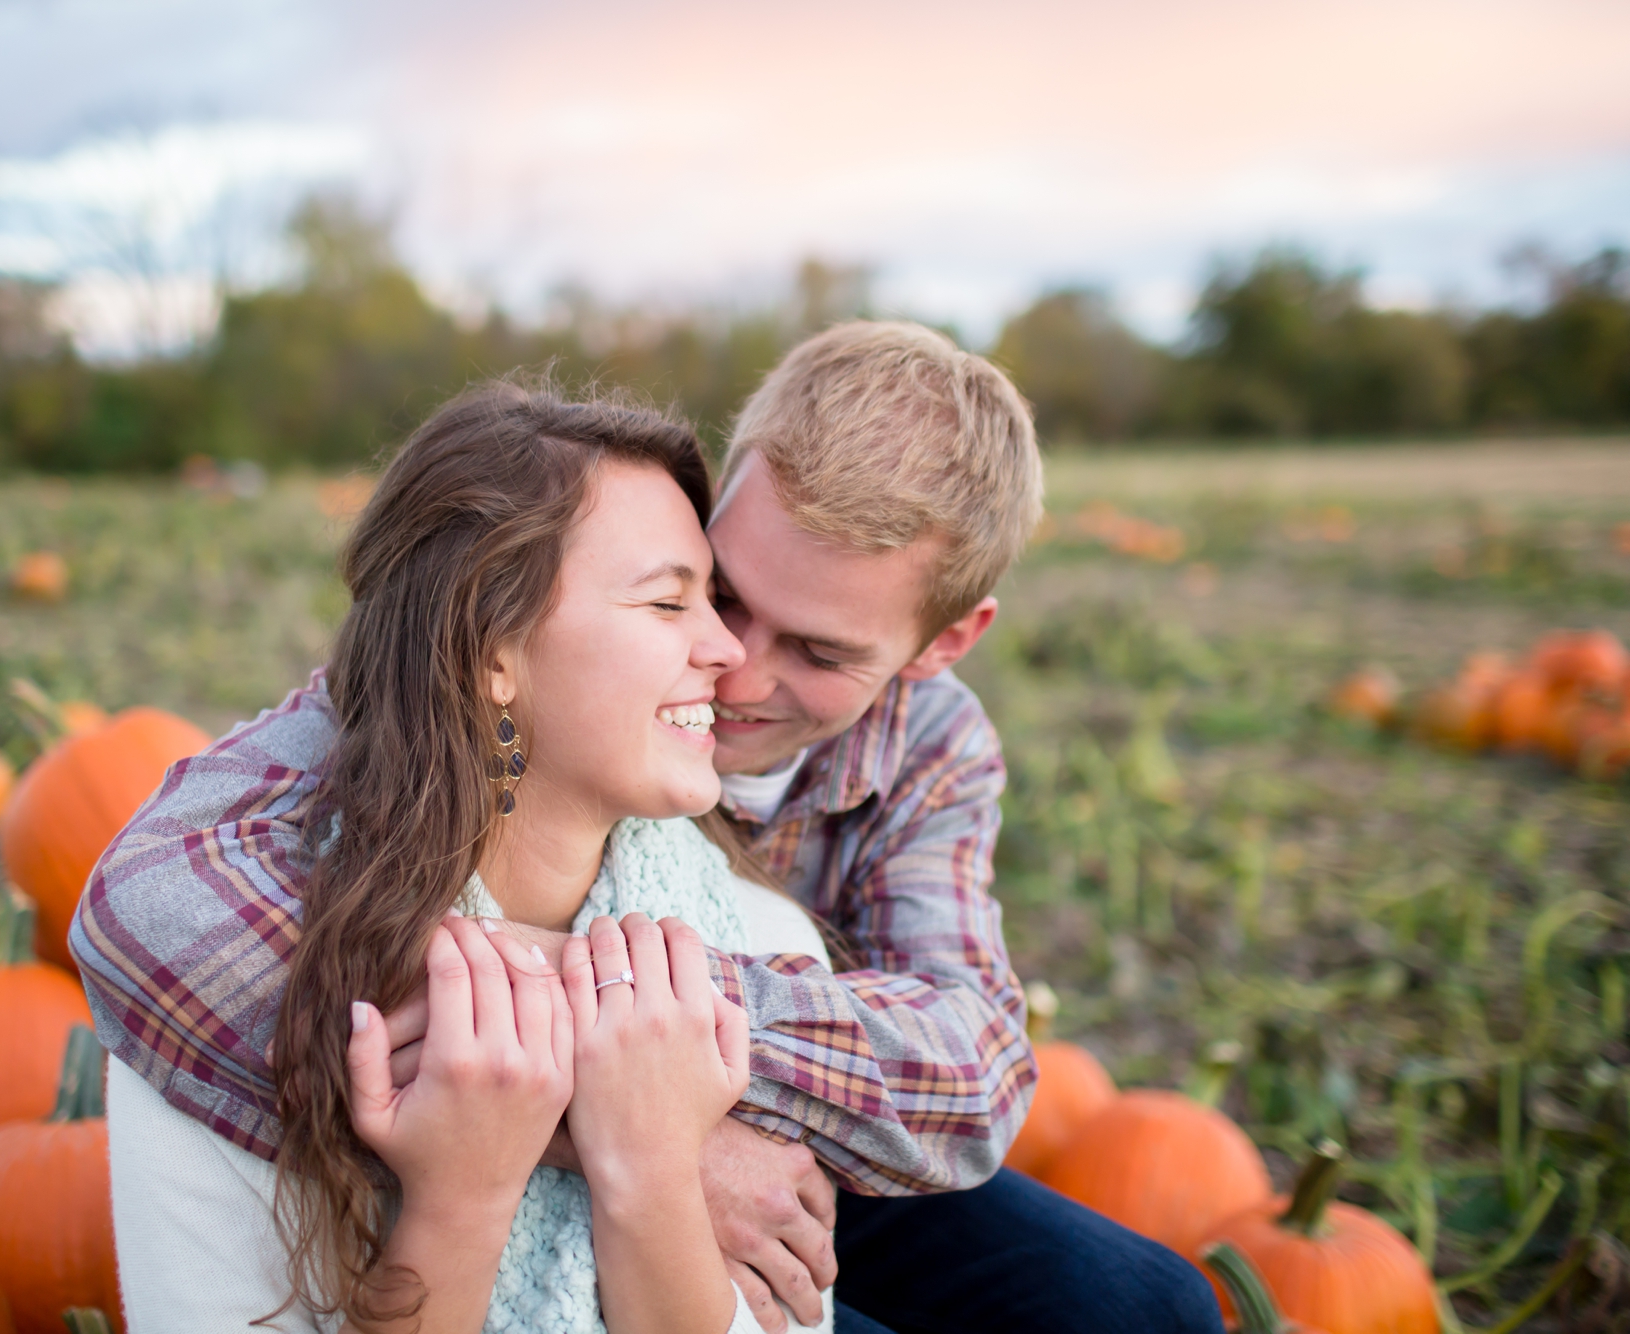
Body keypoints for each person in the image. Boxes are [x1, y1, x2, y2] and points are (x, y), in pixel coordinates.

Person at [76, 323, 1223, 1333]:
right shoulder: (489, 656)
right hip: (577, 1149)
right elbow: (143, 903)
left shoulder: (927, 750)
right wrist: (632, 1120)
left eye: (818, 652)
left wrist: (646, 1035)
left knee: (1144, 1305)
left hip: (813, 1153)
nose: (737, 669)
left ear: (939, 645)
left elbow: (967, 1073)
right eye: (719, 593)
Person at [94, 384, 881, 1331]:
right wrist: (460, 1198)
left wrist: (649, 1172)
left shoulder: (752, 954)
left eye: (710, 599)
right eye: (670, 601)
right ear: (490, 653)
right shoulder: (230, 998)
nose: (729, 651)